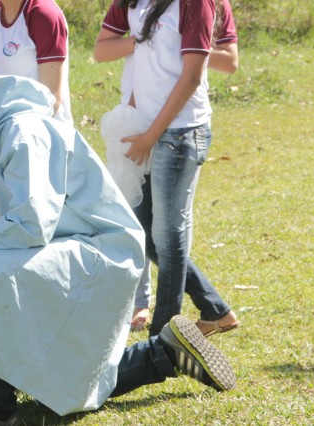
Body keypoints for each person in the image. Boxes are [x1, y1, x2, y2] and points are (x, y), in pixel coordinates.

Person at [0, 70, 236, 425]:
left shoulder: (22, 133)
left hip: (102, 251)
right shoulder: (9, 131)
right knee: (61, 387)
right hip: (78, 247)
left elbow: (31, 226)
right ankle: (165, 353)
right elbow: (26, 233)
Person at [93, 0, 240, 336]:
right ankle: (215, 310)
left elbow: (191, 78)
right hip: (144, 128)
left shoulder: (196, 3)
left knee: (167, 233)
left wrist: (151, 136)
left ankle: (165, 331)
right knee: (143, 229)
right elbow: (103, 50)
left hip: (180, 133)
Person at [0, 0, 72, 125]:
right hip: (5, 127)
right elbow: (1, 75)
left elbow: (51, 100)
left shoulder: (44, 14)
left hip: (45, 133)